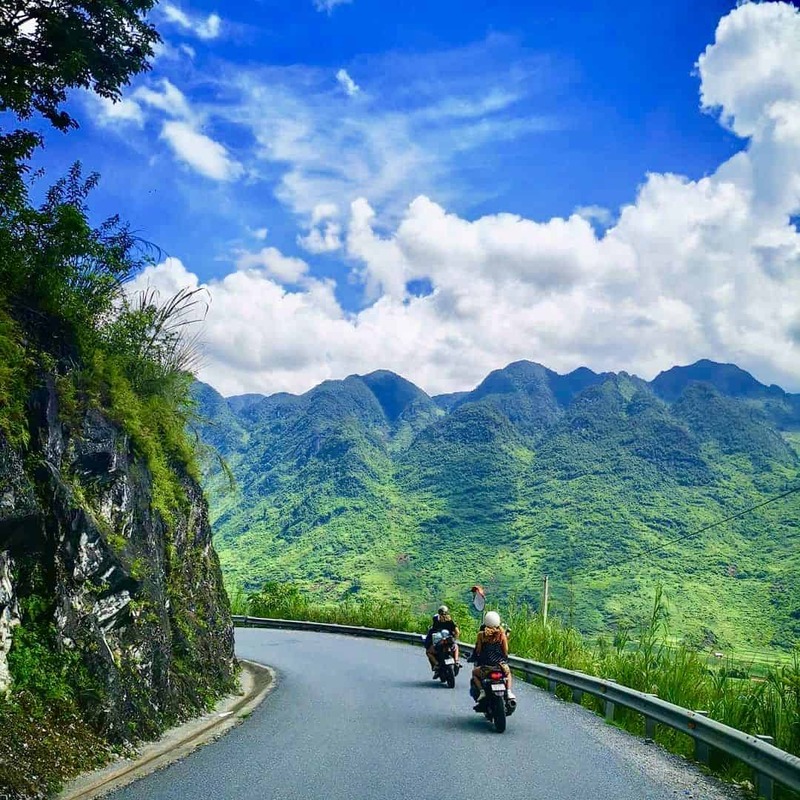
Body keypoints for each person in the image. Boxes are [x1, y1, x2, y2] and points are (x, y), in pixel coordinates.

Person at [471, 610, 515, 703]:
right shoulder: (502, 634)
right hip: (500, 666)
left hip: (486, 667)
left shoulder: (481, 635)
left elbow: (478, 650)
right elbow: (505, 651)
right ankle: (509, 691)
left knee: (474, 673)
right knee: (508, 673)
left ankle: (482, 692)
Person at [424, 605, 460, 673]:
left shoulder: (436, 620)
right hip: (449, 642)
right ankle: (456, 661)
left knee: (428, 652)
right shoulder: (450, 621)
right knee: (456, 647)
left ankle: (436, 664)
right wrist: (454, 639)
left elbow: (432, 631)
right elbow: (457, 632)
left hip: (439, 643)